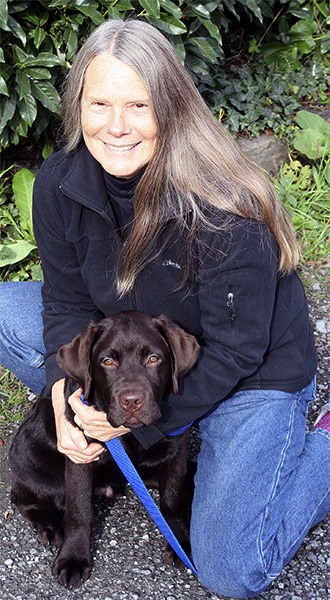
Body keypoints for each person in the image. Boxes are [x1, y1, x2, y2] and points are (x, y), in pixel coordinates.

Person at [0, 18, 329, 599]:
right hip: (143, 352)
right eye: (99, 103)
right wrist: (63, 389)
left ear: (171, 108)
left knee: (232, 571)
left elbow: (237, 350)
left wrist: (138, 427)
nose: (117, 126)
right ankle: (143, 407)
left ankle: (319, 443)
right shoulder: (60, 183)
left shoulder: (225, 201)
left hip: (249, 373)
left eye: (139, 105)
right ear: (77, 105)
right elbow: (68, 300)